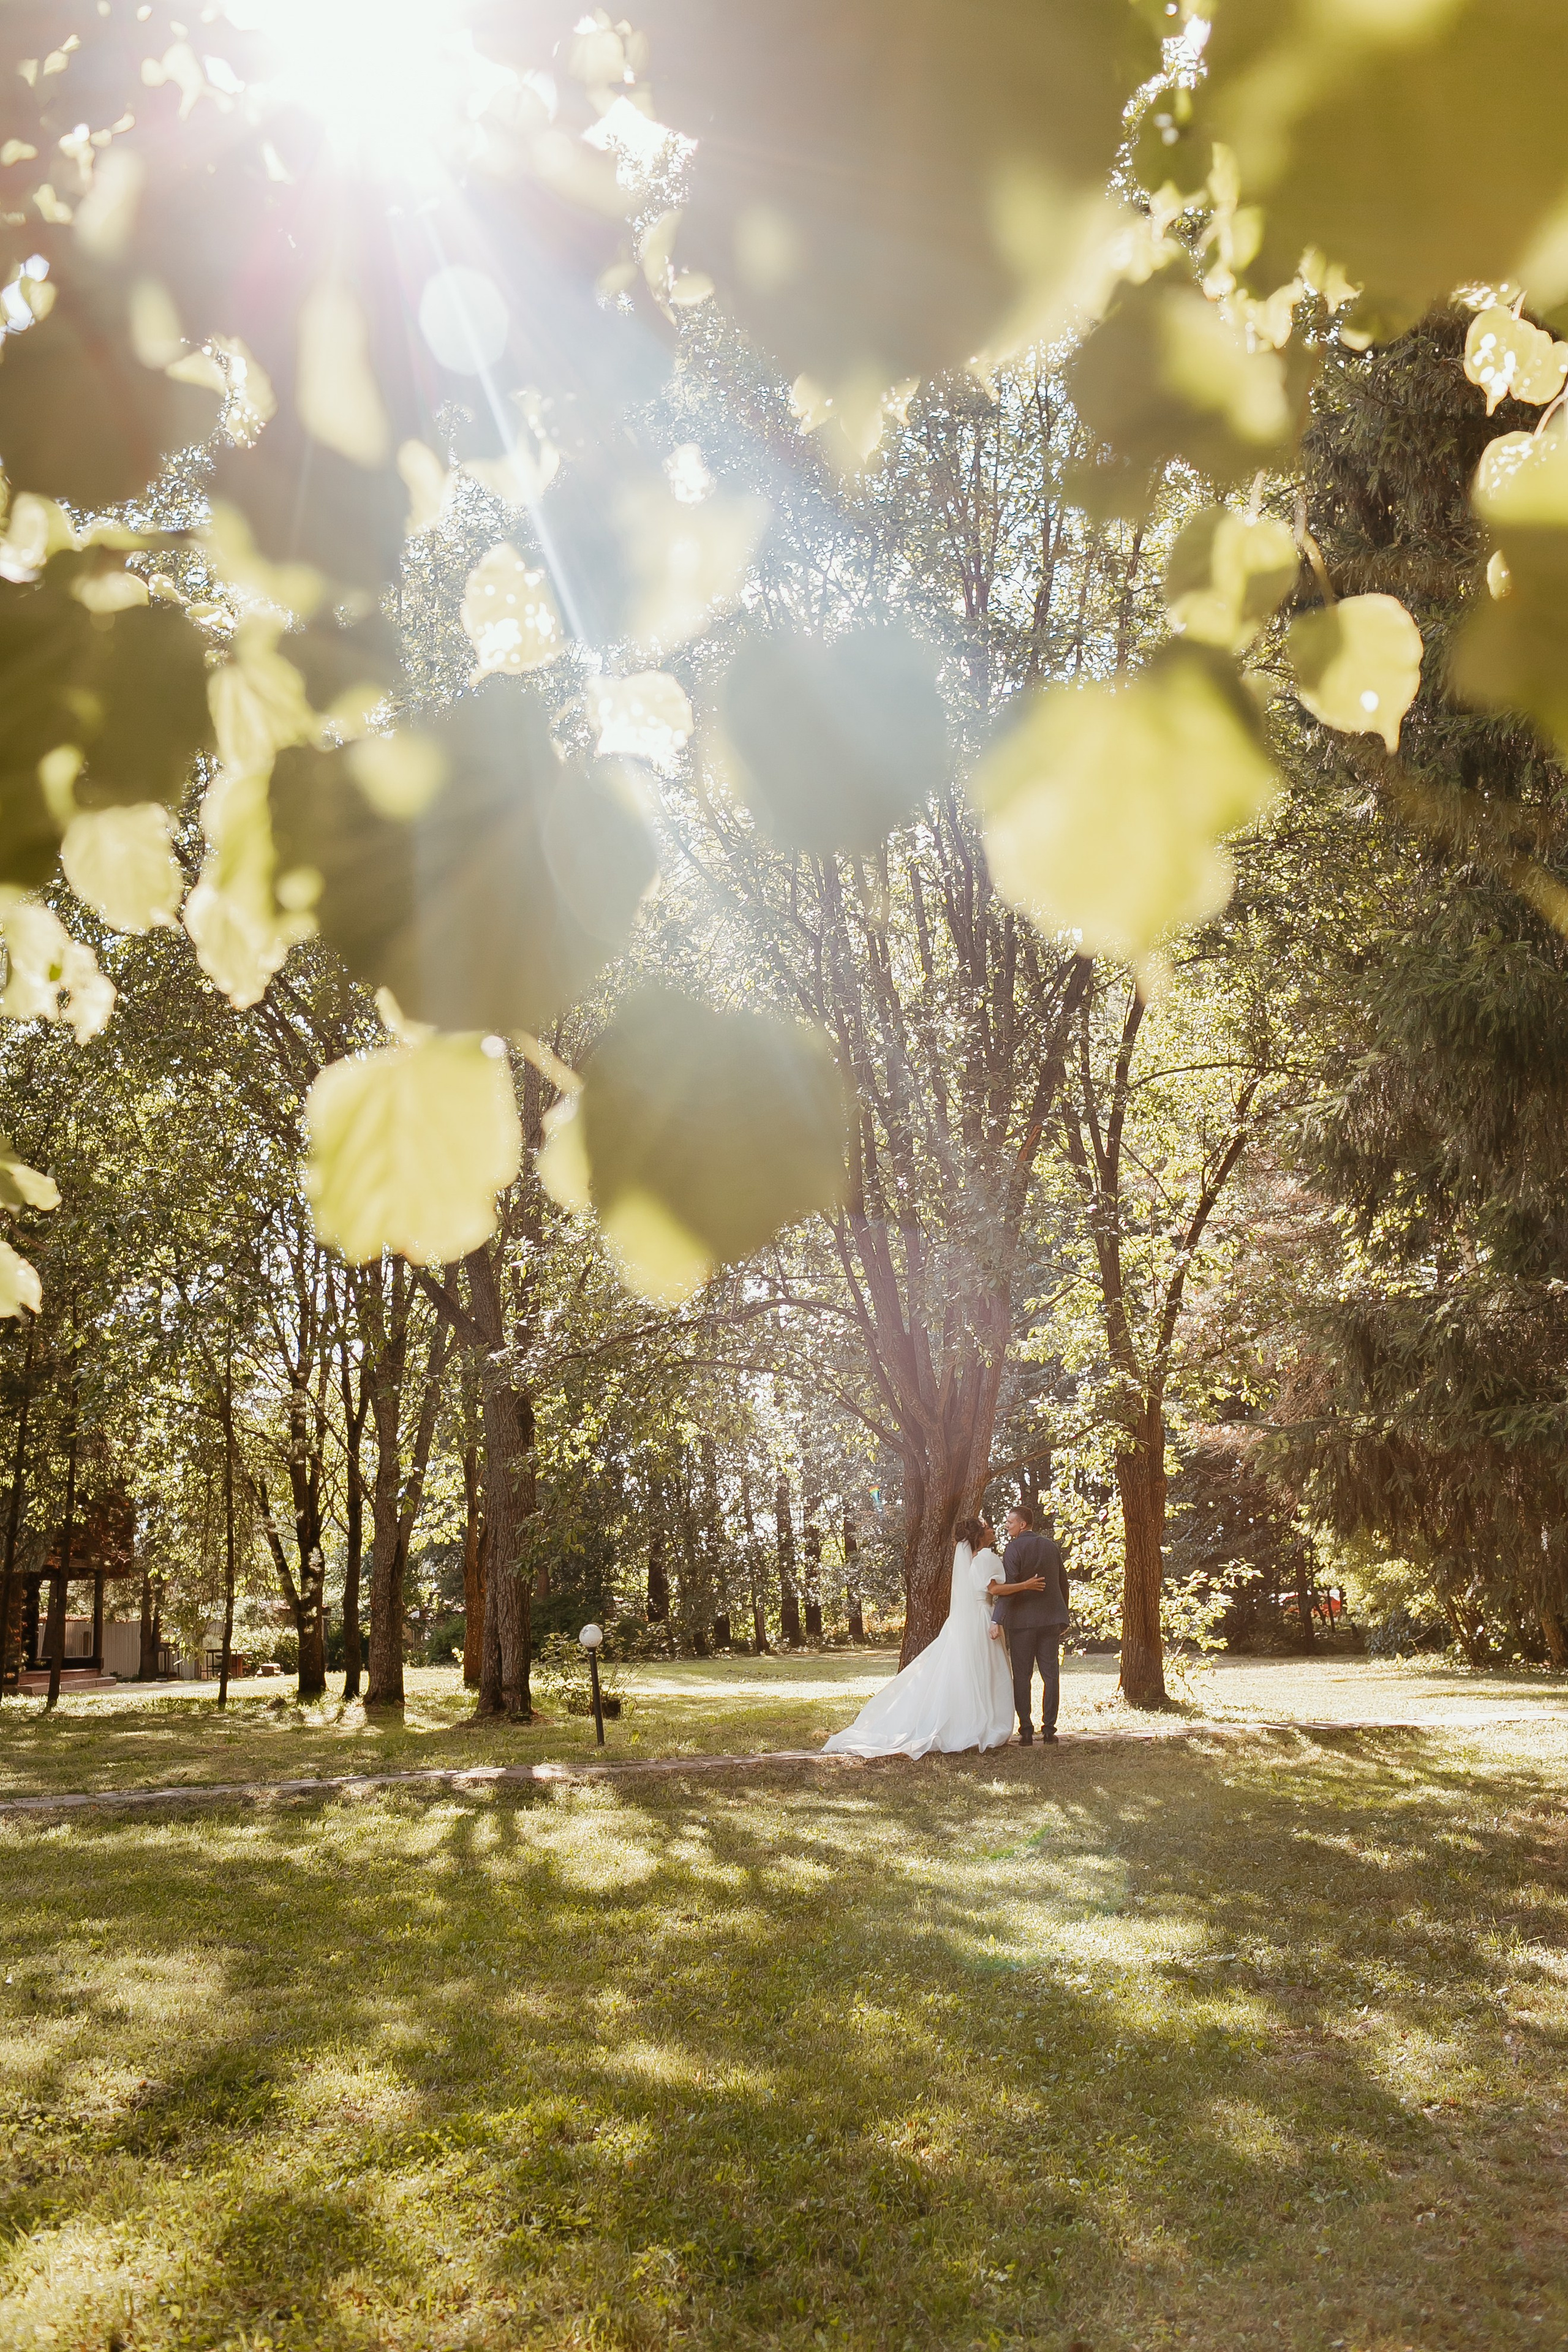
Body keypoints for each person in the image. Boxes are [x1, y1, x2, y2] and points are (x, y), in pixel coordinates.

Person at [823, 1516, 1017, 1757]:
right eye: (987, 1528)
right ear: (979, 1536)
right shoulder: (987, 1557)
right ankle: (985, 1722)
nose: (992, 1530)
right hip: (983, 1617)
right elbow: (994, 1590)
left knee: (969, 1669)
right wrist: (1026, 1585)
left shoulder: (970, 1561)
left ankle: (969, 1720)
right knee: (989, 1669)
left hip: (966, 1620)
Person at [987, 1502, 1070, 1744]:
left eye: (1010, 1522)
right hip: (1050, 1620)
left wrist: (997, 1618)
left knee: (1022, 1677)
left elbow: (1009, 1588)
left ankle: (1025, 1730)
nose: (1007, 1526)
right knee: (1051, 1676)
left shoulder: (1014, 1549)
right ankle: (1049, 1730)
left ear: (1022, 1524)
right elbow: (1062, 1583)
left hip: (1022, 1622)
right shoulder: (1050, 1546)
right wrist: (1063, 1616)